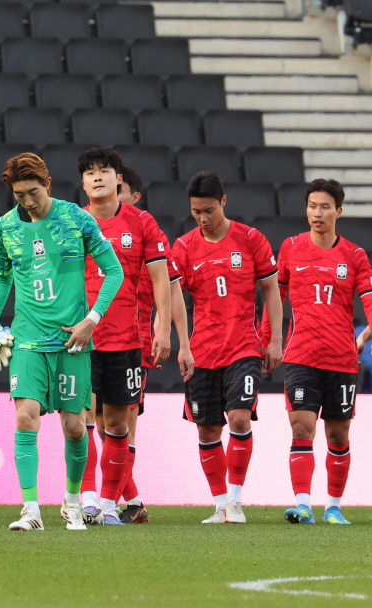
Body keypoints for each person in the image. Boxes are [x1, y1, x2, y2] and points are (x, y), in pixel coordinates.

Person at [0, 152, 124, 532]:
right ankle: (30, 509)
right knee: (25, 417)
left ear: (48, 185)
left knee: (75, 428)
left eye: (32, 192)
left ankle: (72, 503)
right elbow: (1, 277)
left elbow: (114, 271)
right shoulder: (4, 228)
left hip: (71, 342)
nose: (27, 202)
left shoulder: (77, 219)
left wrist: (90, 320)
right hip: (27, 340)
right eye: (18, 195)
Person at [169, 171, 282, 525]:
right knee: (207, 430)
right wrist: (182, 345)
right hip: (202, 352)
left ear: (224, 202)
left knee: (239, 417)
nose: (203, 218)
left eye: (209, 210)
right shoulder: (184, 246)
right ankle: (220, 504)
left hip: (243, 348)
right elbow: (174, 297)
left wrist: (274, 339)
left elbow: (272, 291)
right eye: (196, 211)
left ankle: (235, 500)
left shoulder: (251, 239)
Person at [262, 179, 372, 526]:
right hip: (300, 355)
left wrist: (365, 334)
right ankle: (303, 504)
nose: (317, 213)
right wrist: (270, 339)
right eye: (312, 206)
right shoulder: (291, 247)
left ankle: (334, 507)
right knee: (301, 427)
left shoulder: (354, 256)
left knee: (338, 435)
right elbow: (274, 297)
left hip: (340, 358)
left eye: (325, 207)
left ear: (339, 211)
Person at [75, 148, 174, 526]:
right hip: (82, 340)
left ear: (120, 179)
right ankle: (84, 499)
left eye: (104, 171)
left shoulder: (143, 223)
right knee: (81, 420)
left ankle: (107, 503)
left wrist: (162, 327)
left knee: (116, 425)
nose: (97, 177)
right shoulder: (72, 223)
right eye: (89, 172)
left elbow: (160, 278)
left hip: (127, 340)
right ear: (83, 183)